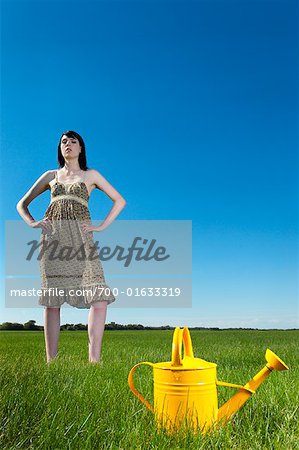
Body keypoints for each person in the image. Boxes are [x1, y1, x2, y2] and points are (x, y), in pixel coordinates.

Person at [16, 130, 126, 364]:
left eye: (72, 141)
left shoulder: (91, 175)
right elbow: (22, 204)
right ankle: (51, 362)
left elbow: (119, 200)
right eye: (63, 142)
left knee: (98, 297)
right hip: (53, 240)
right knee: (53, 301)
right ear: (60, 148)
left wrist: (101, 227)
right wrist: (33, 222)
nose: (68, 145)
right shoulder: (50, 176)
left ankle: (94, 360)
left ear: (81, 148)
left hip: (81, 239)